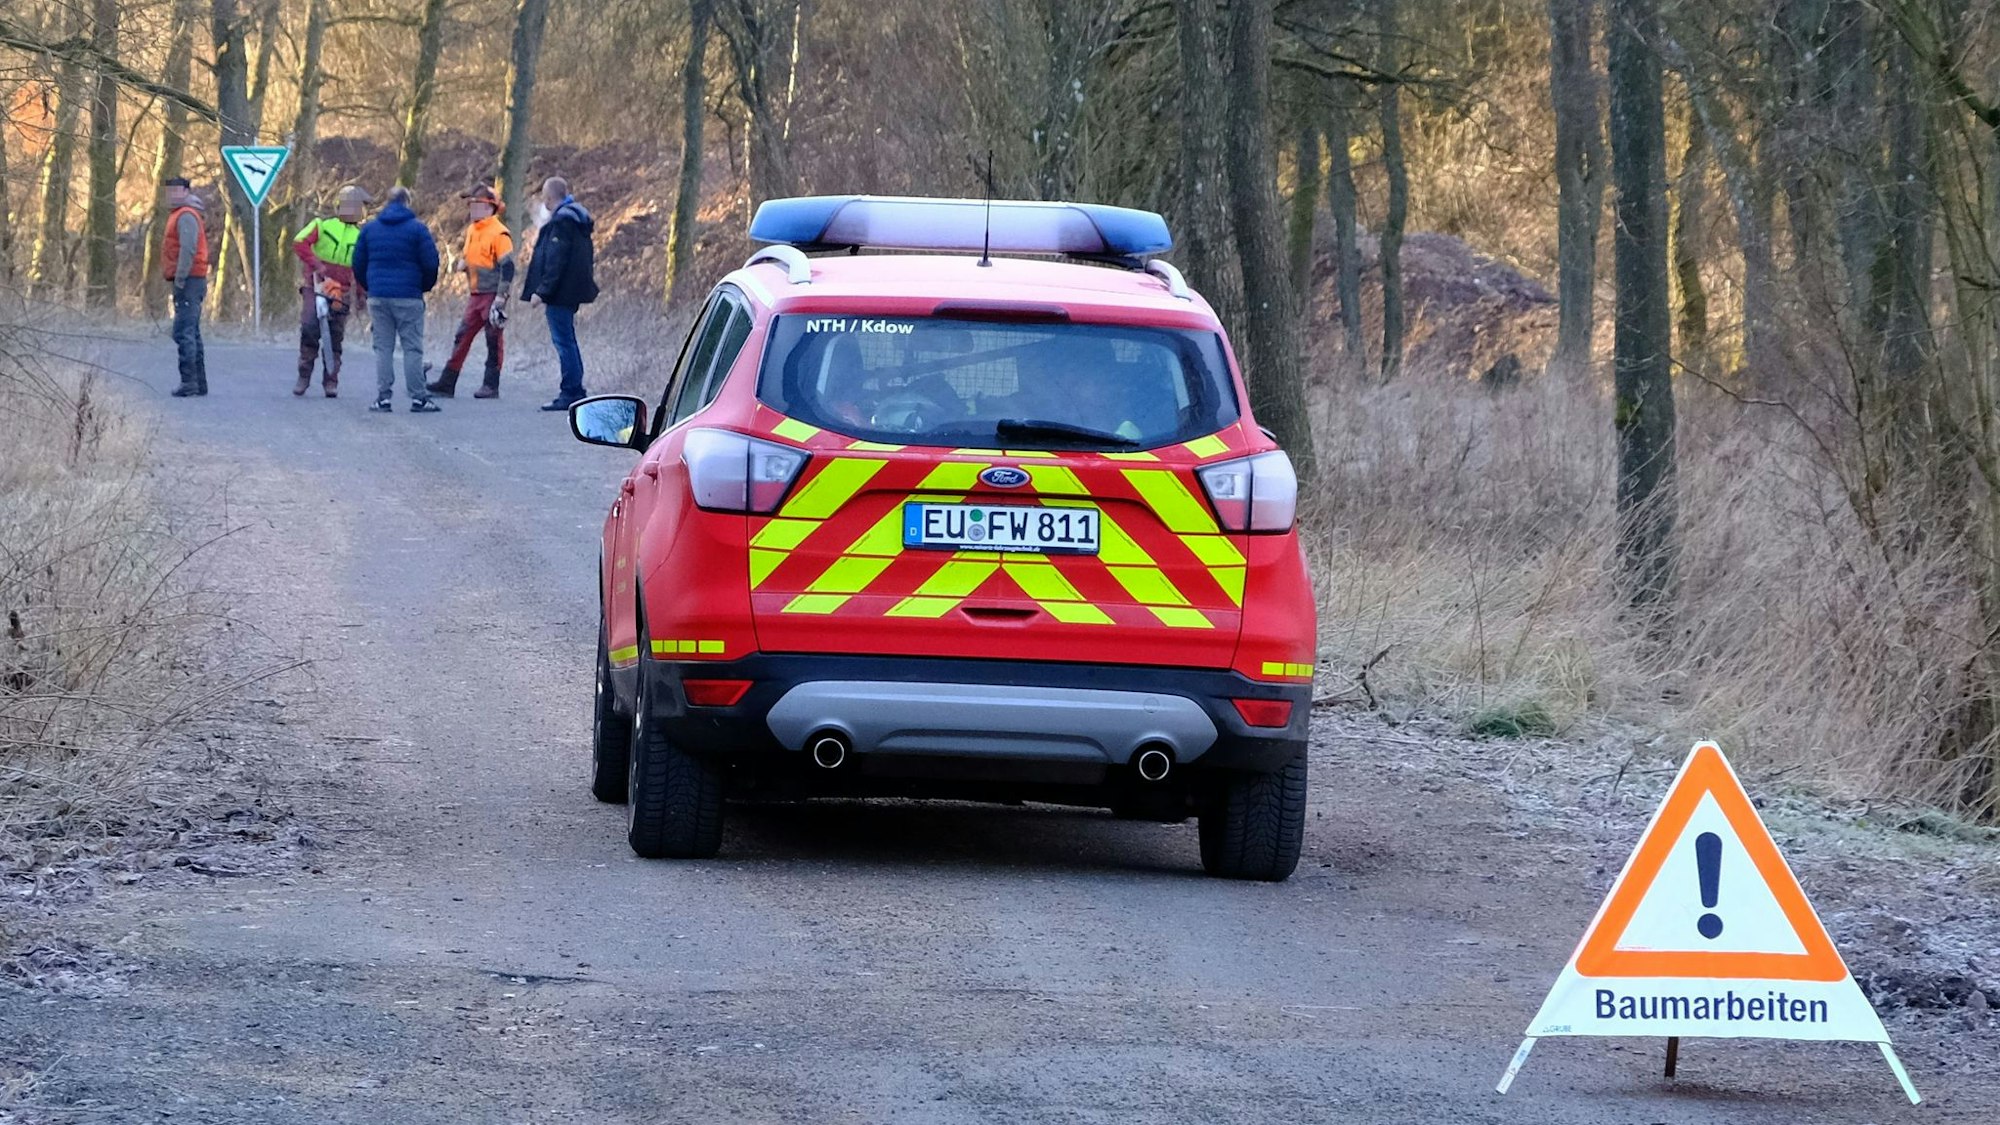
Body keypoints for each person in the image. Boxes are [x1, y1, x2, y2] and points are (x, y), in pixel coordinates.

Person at [352, 185, 442, 414]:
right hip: (409, 297)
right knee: (412, 348)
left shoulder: (369, 230)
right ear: (407, 203)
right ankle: (418, 398)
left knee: (383, 348)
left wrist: (370, 286)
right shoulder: (418, 230)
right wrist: (423, 287)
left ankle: (383, 398)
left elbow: (358, 264)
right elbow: (431, 263)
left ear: (387, 202)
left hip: (378, 296)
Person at [426, 185, 515, 399]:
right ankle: (447, 383)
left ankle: (491, 385)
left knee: (493, 341)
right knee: (461, 337)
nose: (472, 208)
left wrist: (501, 297)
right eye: (471, 204)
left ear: (489, 207)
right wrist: (464, 263)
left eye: (476, 204)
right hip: (475, 294)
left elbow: (508, 267)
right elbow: (473, 256)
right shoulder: (472, 230)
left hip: (492, 295)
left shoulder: (499, 232)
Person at [521, 176, 599, 411]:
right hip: (570, 291)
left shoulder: (563, 221)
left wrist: (541, 292)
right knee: (568, 340)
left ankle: (571, 392)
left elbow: (556, 261)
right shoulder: (576, 218)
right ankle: (575, 389)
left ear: (549, 198)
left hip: (560, 294)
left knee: (564, 342)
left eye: (544, 197)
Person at [291, 184, 370, 398]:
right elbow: (299, 242)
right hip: (315, 285)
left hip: (341, 291)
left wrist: (362, 295)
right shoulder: (322, 226)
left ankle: (331, 380)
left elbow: (361, 267)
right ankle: (304, 376)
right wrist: (316, 264)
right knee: (309, 328)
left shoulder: (362, 236)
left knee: (335, 336)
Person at [160, 177, 210, 398]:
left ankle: (189, 382)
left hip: (189, 279)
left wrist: (180, 278)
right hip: (191, 279)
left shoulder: (186, 215)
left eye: (176, 190)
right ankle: (198, 383)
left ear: (186, 191)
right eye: (169, 190)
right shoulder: (180, 214)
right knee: (191, 331)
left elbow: (188, 249)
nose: (171, 194)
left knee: (183, 332)